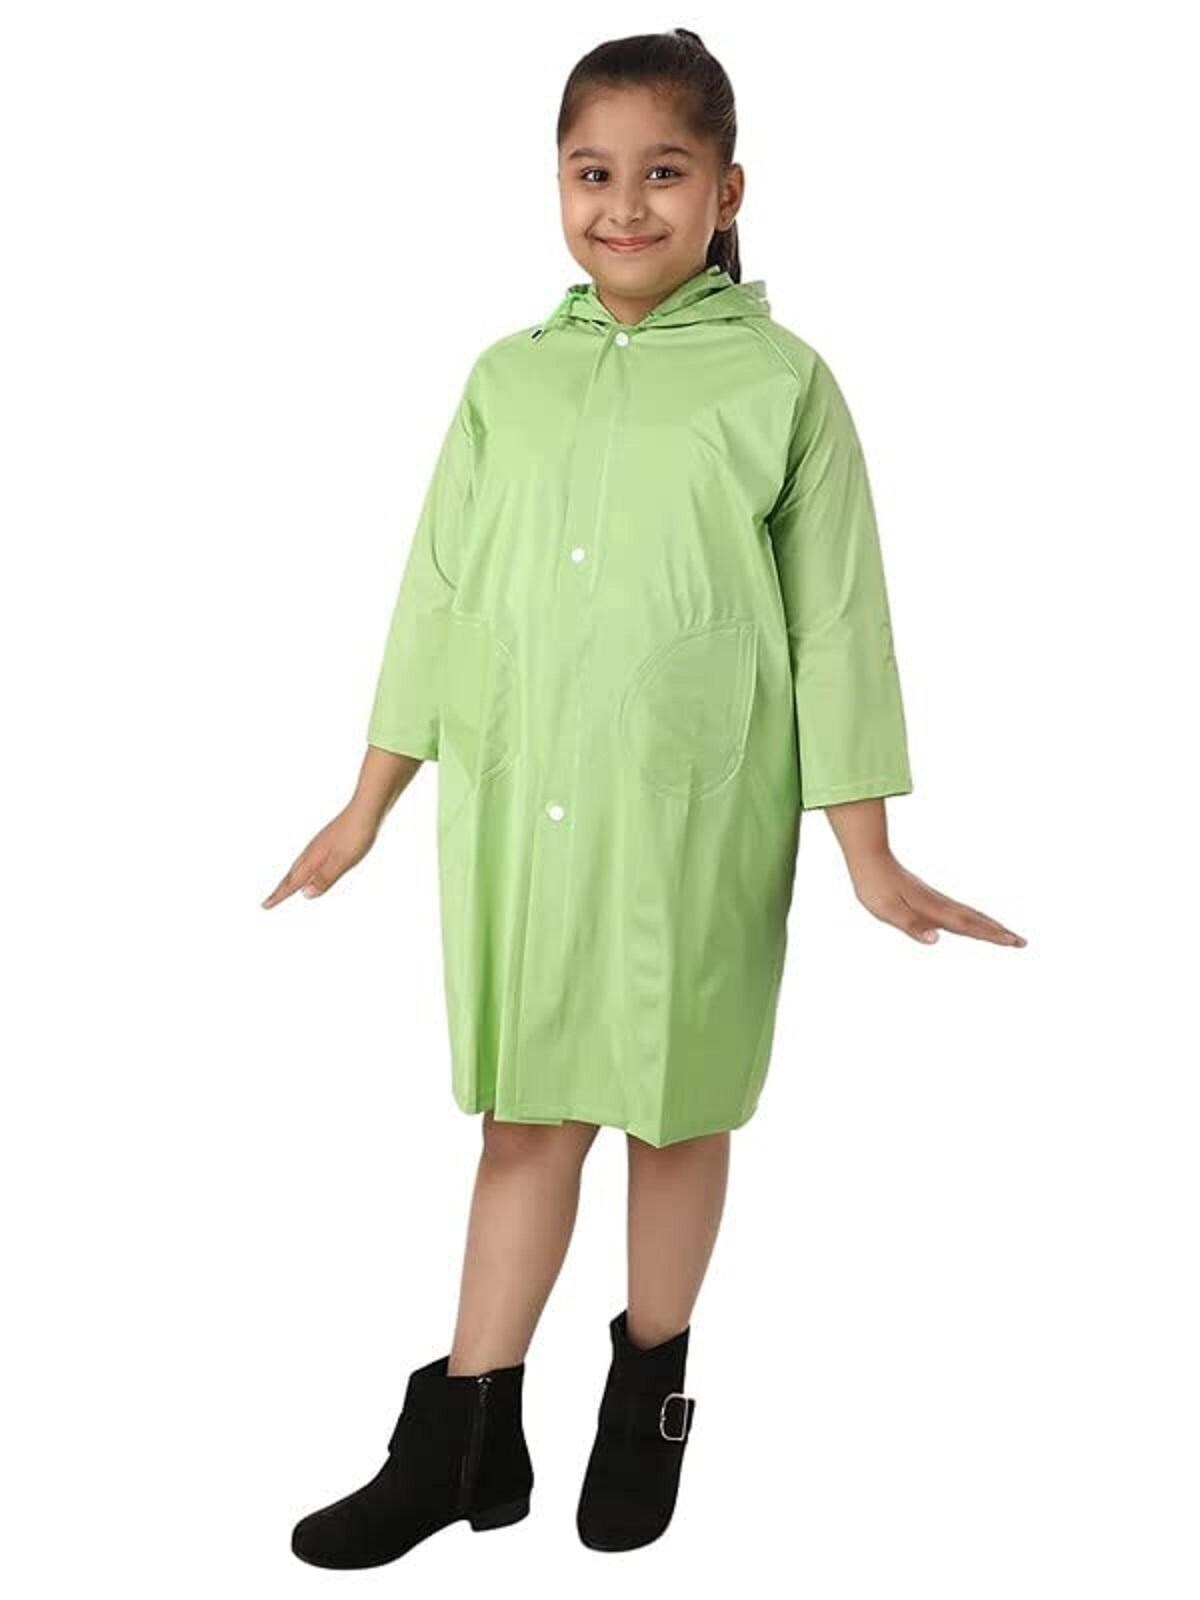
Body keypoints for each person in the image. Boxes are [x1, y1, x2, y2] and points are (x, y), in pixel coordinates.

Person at [264, 27, 1027, 1569]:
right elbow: (436, 600)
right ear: (556, 183)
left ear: (726, 189)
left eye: (663, 172)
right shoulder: (506, 381)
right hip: (521, 808)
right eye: (592, 172)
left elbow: (836, 623)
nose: (624, 206)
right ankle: (467, 1436)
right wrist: (367, 802)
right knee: (524, 1114)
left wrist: (869, 851)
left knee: (676, 1113)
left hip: (697, 813)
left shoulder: (782, 385)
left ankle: (648, 1397)